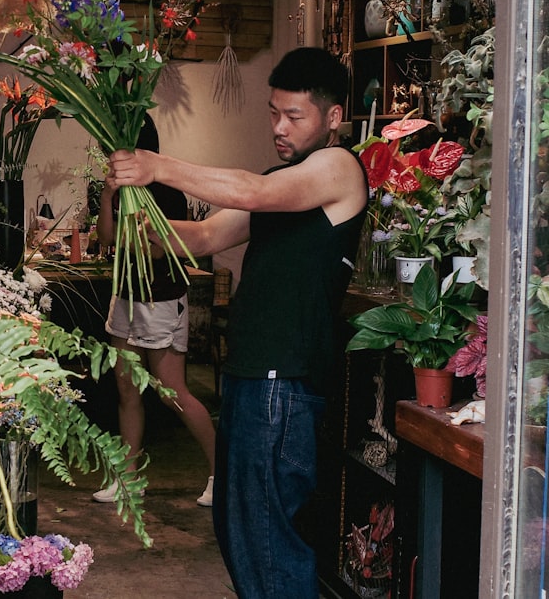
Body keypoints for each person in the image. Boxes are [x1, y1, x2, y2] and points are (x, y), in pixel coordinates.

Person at [107, 47, 368, 598]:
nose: (279, 127)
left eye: (294, 117)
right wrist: (136, 211)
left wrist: (157, 165)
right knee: (241, 529)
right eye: (273, 112)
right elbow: (202, 238)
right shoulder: (287, 179)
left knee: (269, 543)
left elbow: (256, 191)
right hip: (252, 379)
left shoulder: (337, 168)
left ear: (334, 117)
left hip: (284, 383)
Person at [93, 113, 217, 507]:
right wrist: (109, 196)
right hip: (126, 296)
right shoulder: (120, 188)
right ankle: (128, 477)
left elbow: (161, 250)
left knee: (171, 393)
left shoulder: (165, 190)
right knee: (127, 389)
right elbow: (108, 239)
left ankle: (221, 472)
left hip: (161, 297)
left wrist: (145, 229)